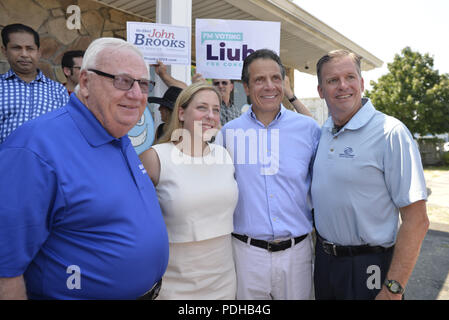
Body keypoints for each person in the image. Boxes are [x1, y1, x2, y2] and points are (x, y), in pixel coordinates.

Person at [0, 37, 169, 300]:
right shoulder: (34, 148)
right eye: (123, 81)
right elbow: (5, 270)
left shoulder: (117, 133)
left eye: (143, 84)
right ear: (87, 82)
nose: (137, 95)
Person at [311, 49, 429, 300]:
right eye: (332, 80)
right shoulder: (324, 133)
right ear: (321, 91)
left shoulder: (390, 133)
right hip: (326, 265)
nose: (343, 86)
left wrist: (393, 289)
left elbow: (417, 220)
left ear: (362, 83)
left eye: (350, 77)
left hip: (370, 267)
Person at [219, 49, 321, 299]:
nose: (269, 86)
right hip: (246, 255)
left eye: (275, 78)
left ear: (284, 82)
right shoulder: (227, 134)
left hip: (297, 255)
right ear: (246, 86)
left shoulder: (307, 129)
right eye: (259, 80)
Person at [139, 82, 239, 299]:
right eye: (202, 108)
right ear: (182, 112)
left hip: (223, 280)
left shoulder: (224, 156)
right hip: (174, 283)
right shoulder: (156, 158)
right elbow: (135, 221)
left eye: (215, 109)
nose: (211, 115)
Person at [0, 23, 69, 144]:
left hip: (45, 161)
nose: (24, 54)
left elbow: (65, 132)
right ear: (4, 51)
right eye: (16, 48)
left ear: (39, 52)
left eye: (30, 48)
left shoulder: (58, 91)